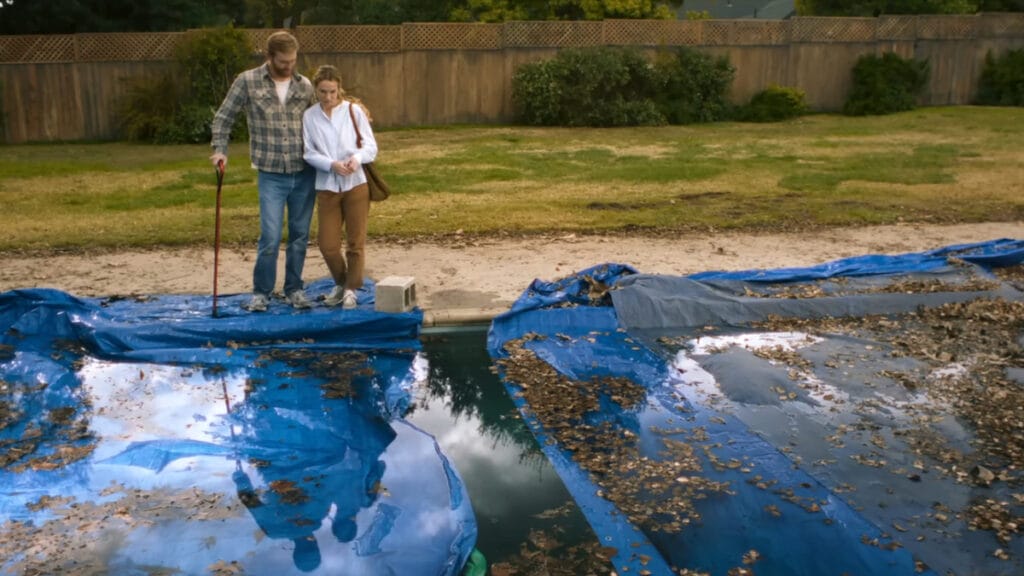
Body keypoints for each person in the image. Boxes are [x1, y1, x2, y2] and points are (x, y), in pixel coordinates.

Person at [210, 30, 317, 312]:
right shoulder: (247, 81)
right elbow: (223, 117)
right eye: (283, 61)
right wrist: (220, 150)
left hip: (304, 172)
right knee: (270, 237)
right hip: (270, 174)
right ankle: (262, 293)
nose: (289, 66)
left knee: (299, 235)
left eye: (293, 60)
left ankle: (294, 289)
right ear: (269, 57)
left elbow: (320, 123)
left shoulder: (304, 85)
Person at [302, 65, 378, 309]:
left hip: (356, 184)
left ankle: (350, 290)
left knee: (356, 242)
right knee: (328, 244)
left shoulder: (354, 112)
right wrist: (331, 164)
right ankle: (342, 282)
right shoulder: (310, 116)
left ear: (339, 89)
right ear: (316, 90)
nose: (328, 97)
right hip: (327, 186)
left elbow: (370, 147)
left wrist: (355, 160)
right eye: (323, 92)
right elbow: (308, 152)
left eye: (332, 92)